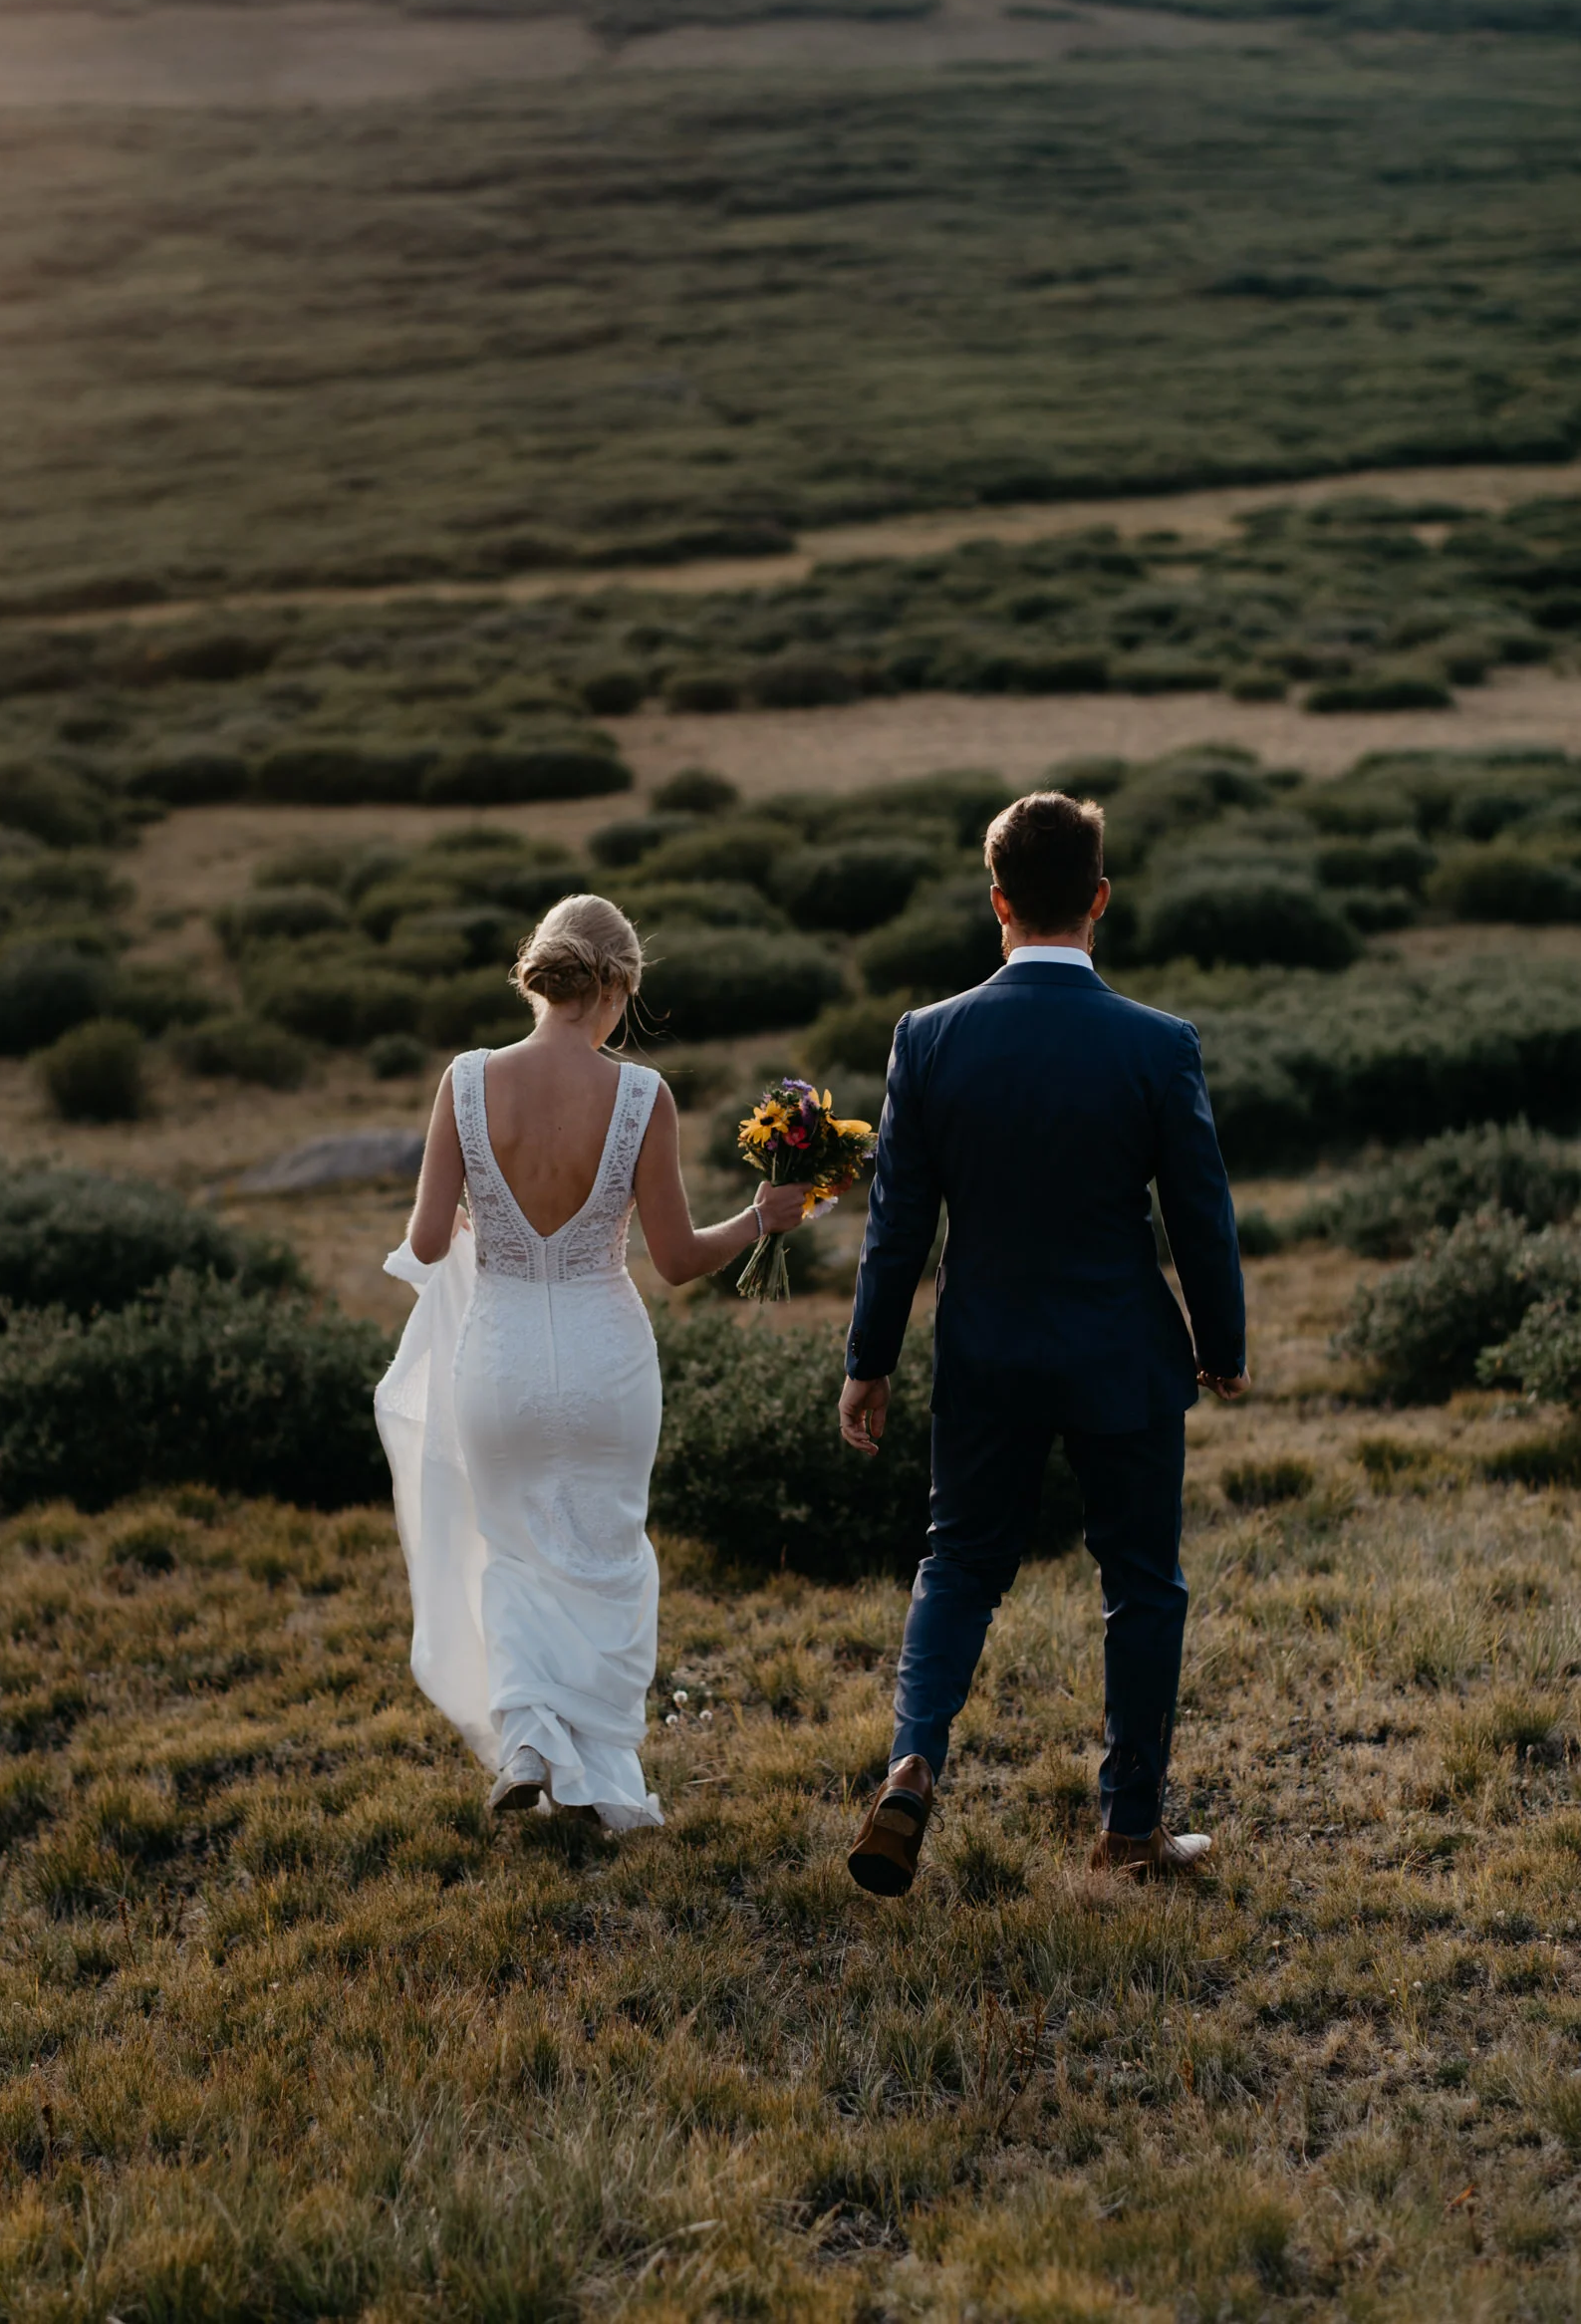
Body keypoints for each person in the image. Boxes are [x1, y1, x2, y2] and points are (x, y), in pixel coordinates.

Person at [839, 792, 1248, 1893]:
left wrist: (868, 1361)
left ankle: (913, 1761)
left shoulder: (927, 1037)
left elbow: (897, 1224)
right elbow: (1200, 1213)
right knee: (1142, 1584)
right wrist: (1220, 1344)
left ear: (998, 903)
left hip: (987, 1353)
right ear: (1099, 899)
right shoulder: (1157, 1043)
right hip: (1123, 1353)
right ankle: (1129, 1829)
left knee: (960, 1563)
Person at [377, 894, 806, 1829]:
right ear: (615, 985)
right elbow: (678, 1259)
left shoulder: (465, 1080)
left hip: (499, 1358)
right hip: (606, 1356)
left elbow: (427, 1241)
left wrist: (477, 1218)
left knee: (515, 1555)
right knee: (607, 1556)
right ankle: (592, 1768)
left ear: (542, 975)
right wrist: (760, 1218)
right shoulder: (642, 1097)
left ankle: (531, 1738)